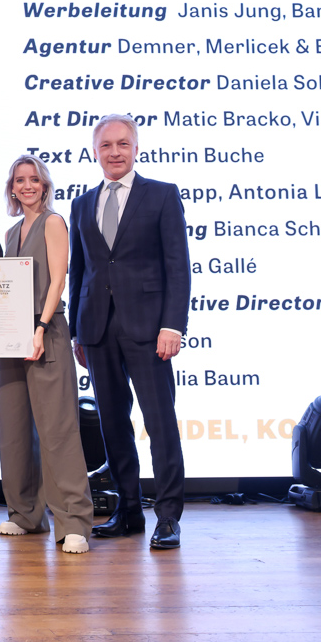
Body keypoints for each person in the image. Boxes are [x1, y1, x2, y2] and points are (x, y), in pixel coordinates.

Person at [68, 114, 190, 550]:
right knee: (113, 424)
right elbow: (79, 271)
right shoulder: (82, 204)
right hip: (97, 329)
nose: (115, 152)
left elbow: (178, 266)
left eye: (123, 144)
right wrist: (77, 333)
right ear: (95, 152)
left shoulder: (162, 195)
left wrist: (172, 325)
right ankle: (129, 510)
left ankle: (169, 517)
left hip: (149, 329)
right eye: (106, 145)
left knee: (160, 423)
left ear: (136, 148)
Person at [0, 155, 94, 553]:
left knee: (57, 430)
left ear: (44, 184)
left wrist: (39, 327)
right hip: (11, 338)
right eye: (19, 180)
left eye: (33, 179)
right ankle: (25, 513)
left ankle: (73, 521)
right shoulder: (11, 232)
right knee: (14, 430)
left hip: (45, 332)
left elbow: (58, 279)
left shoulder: (53, 222)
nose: (27, 186)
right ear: (12, 188)